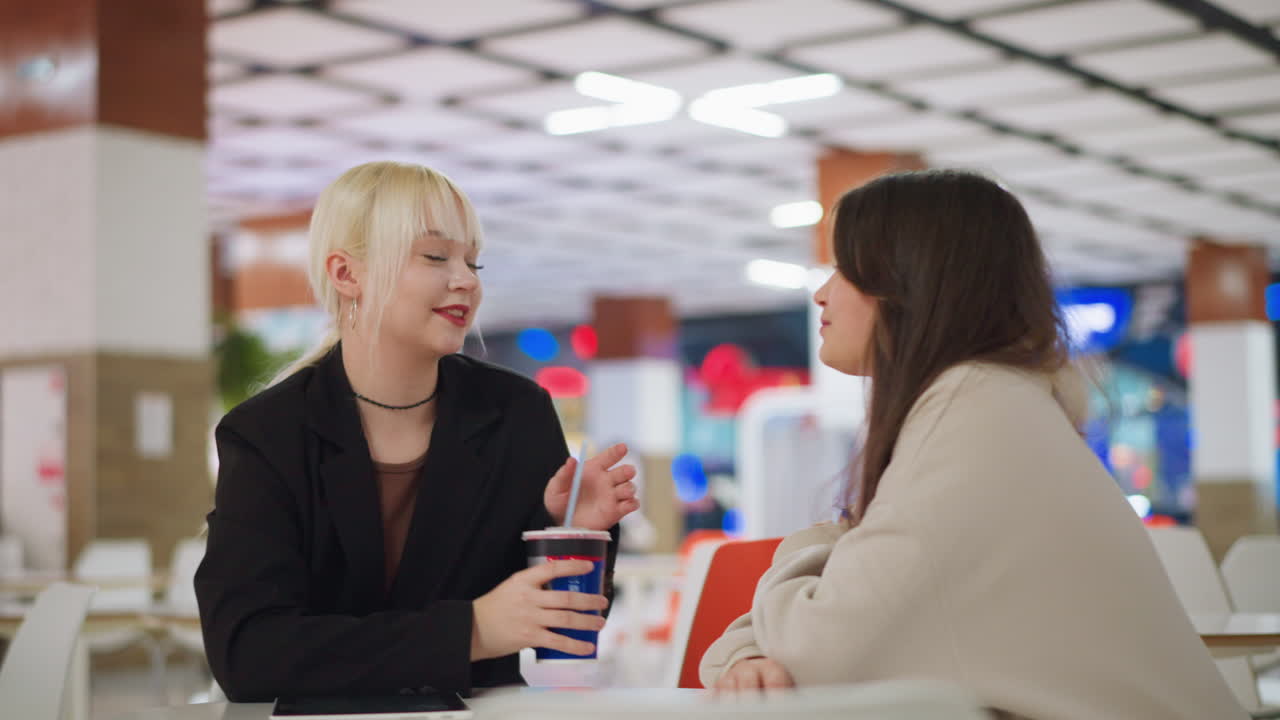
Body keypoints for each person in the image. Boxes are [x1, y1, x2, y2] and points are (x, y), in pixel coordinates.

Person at [699, 170, 1245, 719]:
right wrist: (751, 648)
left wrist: (806, 551)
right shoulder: (997, 402)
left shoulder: (970, 415)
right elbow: (848, 634)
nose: (821, 292)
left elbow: (826, 651)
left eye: (844, 268)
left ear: (908, 279)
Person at [195, 161, 639, 702]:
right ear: (345, 274)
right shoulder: (268, 433)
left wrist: (572, 532)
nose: (467, 280)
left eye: (473, 261)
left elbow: (564, 629)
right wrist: (471, 631)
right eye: (436, 256)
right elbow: (248, 654)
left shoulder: (516, 412)